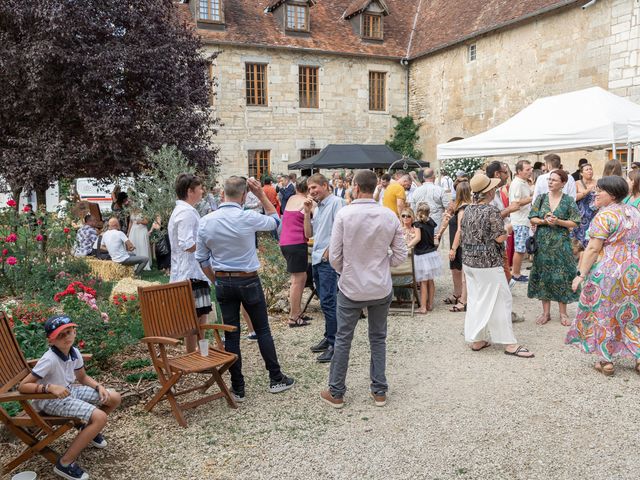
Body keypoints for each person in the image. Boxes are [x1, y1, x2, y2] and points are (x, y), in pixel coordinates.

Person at [195, 176, 294, 401]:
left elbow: (202, 259)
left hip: (223, 280)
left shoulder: (206, 221)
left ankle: (238, 387)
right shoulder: (247, 217)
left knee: (232, 334)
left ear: (222, 195)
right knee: (262, 330)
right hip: (247, 278)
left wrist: (216, 280)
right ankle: (275, 378)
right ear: (242, 196)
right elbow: (275, 221)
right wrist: (261, 195)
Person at [320, 169, 407, 409]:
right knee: (378, 338)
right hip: (379, 285)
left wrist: (347, 270)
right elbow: (400, 255)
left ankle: (337, 391)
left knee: (343, 338)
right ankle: (379, 390)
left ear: (356, 187)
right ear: (375, 187)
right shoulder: (388, 216)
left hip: (351, 286)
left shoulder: (345, 215)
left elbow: (335, 256)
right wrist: (380, 265)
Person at [19, 315, 121, 480]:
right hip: (50, 399)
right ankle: (64, 463)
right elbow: (23, 386)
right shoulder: (49, 359)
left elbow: (82, 378)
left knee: (114, 397)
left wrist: (99, 386)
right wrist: (49, 387)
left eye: (69, 332)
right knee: (100, 417)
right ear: (51, 340)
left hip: (68, 392)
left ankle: (88, 428)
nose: (67, 337)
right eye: (60, 334)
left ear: (75, 332)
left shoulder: (74, 352)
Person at [566, 176, 640, 376]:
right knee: (632, 313)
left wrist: (580, 275)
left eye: (600, 191)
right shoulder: (635, 212)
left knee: (604, 313)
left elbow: (592, 249)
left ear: (613, 194)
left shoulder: (604, 215)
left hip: (608, 271)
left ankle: (606, 361)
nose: (595, 193)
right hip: (634, 272)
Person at [461, 174, 534, 358]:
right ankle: (509, 343)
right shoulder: (491, 211)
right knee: (502, 299)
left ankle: (477, 339)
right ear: (489, 191)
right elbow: (499, 237)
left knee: (478, 299)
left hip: (469, 261)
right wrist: (508, 229)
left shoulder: (468, 209)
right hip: (487, 263)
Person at [527, 169, 581, 326]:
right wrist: (544, 221)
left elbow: (575, 221)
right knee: (544, 276)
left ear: (563, 183)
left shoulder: (568, 200)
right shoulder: (541, 198)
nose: (550, 182)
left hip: (561, 244)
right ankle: (546, 313)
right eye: (549, 180)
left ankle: (563, 313)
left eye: (554, 180)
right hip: (543, 243)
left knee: (562, 276)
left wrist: (559, 222)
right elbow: (532, 217)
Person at [168, 173, 213, 352]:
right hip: (191, 273)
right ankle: (197, 354)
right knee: (198, 316)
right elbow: (187, 244)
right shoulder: (186, 212)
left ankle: (195, 352)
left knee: (197, 315)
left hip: (187, 272)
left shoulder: (183, 210)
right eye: (200, 187)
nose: (202, 191)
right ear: (190, 191)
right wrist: (208, 246)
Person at [304, 173, 345, 363]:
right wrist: (306, 212)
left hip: (328, 259)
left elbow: (342, 228)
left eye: (314, 187)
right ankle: (329, 336)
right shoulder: (317, 207)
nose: (312, 191)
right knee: (325, 301)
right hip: (317, 258)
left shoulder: (337, 202)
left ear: (325, 185)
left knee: (329, 301)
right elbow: (308, 233)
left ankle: (334, 344)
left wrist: (331, 250)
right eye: (309, 189)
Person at [280, 176, 313, 327]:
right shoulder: (306, 202)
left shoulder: (292, 198)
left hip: (286, 242)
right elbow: (308, 233)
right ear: (308, 189)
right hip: (297, 242)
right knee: (297, 280)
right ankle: (293, 317)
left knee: (302, 276)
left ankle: (297, 311)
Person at [436, 181, 471, 313]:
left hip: (460, 243)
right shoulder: (456, 205)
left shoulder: (464, 208)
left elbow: (460, 230)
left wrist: (454, 248)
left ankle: (464, 298)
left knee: (462, 271)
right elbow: (447, 221)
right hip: (454, 241)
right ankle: (457, 294)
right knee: (455, 268)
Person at [407, 203, 442, 314]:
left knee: (423, 282)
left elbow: (418, 238)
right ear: (429, 212)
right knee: (430, 280)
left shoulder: (417, 224)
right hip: (431, 254)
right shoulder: (431, 222)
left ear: (417, 212)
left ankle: (423, 307)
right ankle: (430, 304)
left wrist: (407, 246)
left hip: (422, 255)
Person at [509, 160, 534, 282]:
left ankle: (516, 272)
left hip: (524, 220)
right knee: (519, 249)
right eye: (527, 170)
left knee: (521, 248)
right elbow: (516, 203)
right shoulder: (517, 184)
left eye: (531, 169)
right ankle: (516, 273)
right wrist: (533, 197)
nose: (530, 172)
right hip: (520, 220)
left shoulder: (523, 182)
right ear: (519, 171)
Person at [571, 162, 598, 248]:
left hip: (594, 214)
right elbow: (573, 198)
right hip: (580, 215)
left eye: (591, 169)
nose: (590, 171)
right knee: (579, 238)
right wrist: (587, 191)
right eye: (587, 170)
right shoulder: (577, 183)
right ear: (581, 173)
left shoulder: (597, 182)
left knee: (592, 237)